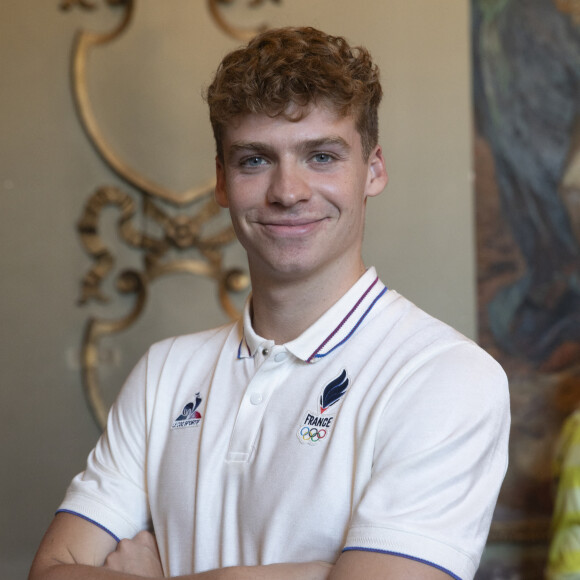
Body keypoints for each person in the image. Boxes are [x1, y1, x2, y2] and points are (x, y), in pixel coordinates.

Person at [29, 26, 510, 580]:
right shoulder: (165, 372)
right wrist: (311, 573)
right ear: (221, 181)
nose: (288, 191)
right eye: (255, 160)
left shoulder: (446, 376)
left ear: (373, 170)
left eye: (322, 156)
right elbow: (52, 570)